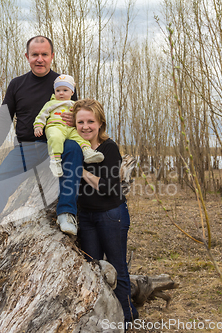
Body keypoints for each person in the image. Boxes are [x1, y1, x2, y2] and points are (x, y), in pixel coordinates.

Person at [0, 36, 82, 264]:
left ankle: (66, 213)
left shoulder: (63, 82)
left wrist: (75, 120)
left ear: (52, 56)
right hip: (26, 148)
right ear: (27, 57)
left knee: (74, 148)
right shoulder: (17, 84)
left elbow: (79, 114)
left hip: (55, 144)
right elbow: (4, 117)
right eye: (35, 55)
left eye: (44, 54)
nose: (40, 59)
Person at [73, 98, 139, 324]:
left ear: (100, 123)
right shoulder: (74, 147)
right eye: (80, 122)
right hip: (86, 216)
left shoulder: (109, 147)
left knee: (117, 267)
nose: (85, 126)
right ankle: (102, 317)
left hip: (111, 214)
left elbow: (109, 186)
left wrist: (81, 171)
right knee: (94, 269)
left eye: (91, 121)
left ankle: (127, 318)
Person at [33, 74, 104, 177]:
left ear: (72, 92)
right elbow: (42, 116)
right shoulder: (51, 103)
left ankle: (87, 152)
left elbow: (80, 117)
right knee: (55, 138)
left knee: (80, 137)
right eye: (58, 90)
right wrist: (38, 126)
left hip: (70, 129)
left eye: (65, 90)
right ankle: (55, 161)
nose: (61, 93)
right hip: (55, 126)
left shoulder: (75, 105)